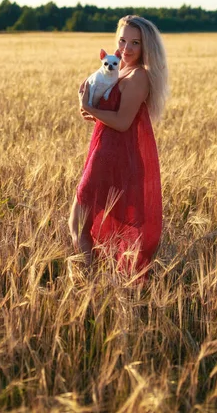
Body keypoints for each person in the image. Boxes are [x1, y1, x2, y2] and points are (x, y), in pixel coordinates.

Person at [68, 15, 169, 274]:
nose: (126, 48)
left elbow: (123, 122)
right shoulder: (119, 69)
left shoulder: (138, 76)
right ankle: (98, 282)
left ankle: (90, 282)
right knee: (87, 223)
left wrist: (88, 107)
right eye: (122, 40)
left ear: (146, 47)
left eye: (135, 43)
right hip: (105, 149)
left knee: (78, 222)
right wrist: (91, 112)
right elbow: (113, 117)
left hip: (114, 156)